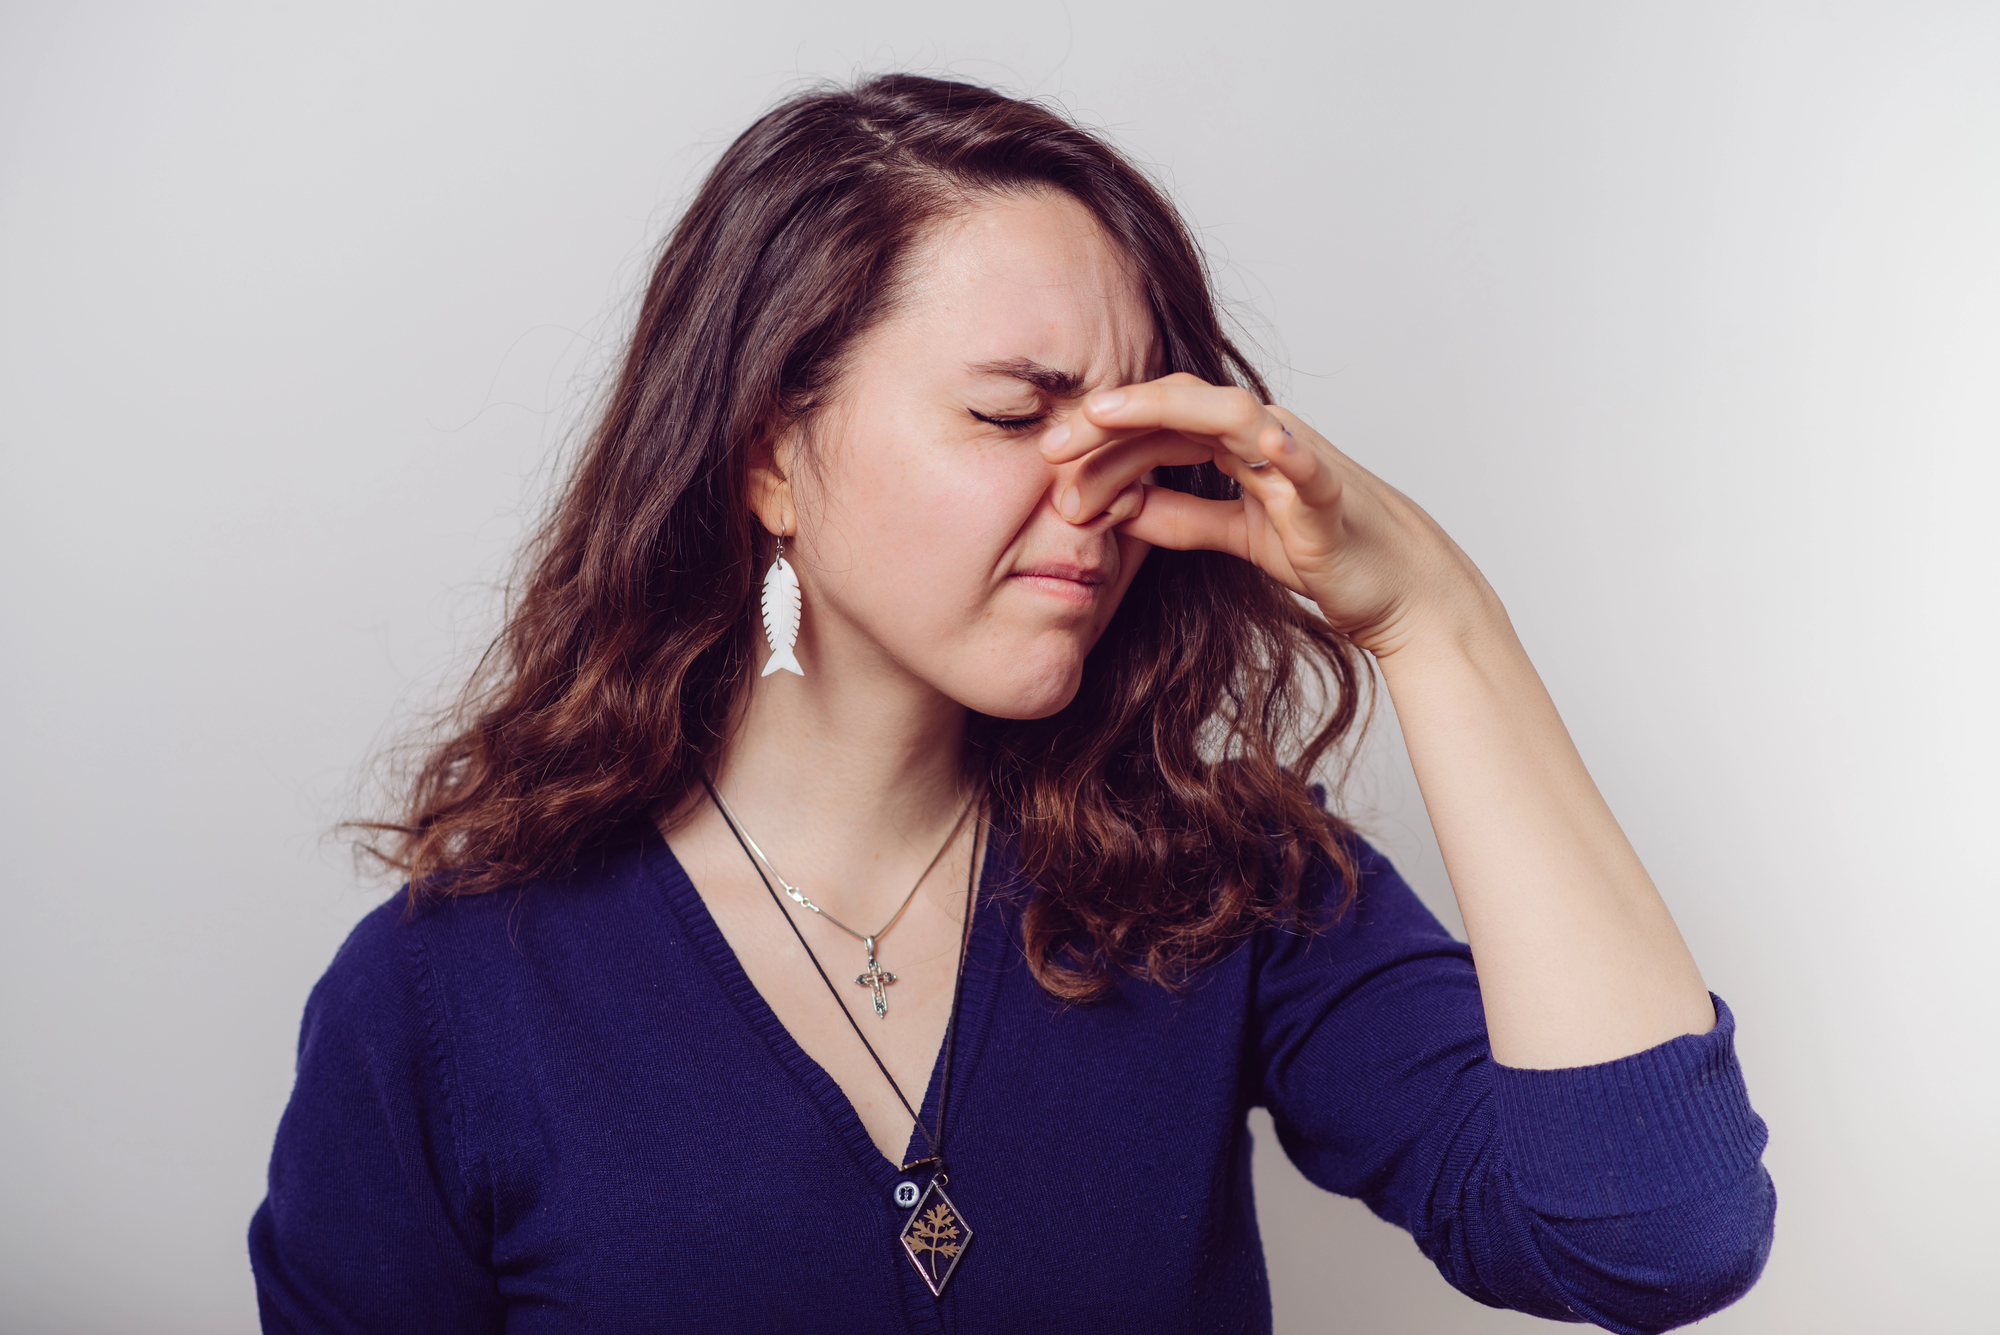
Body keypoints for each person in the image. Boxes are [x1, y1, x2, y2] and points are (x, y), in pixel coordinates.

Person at [249, 75, 1773, 1333]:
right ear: (771, 455)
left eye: (1131, 429)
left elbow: (1656, 1235)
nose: (1097, 491)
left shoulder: (1224, 891)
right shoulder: (446, 1003)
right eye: (1011, 413)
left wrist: (1438, 624)